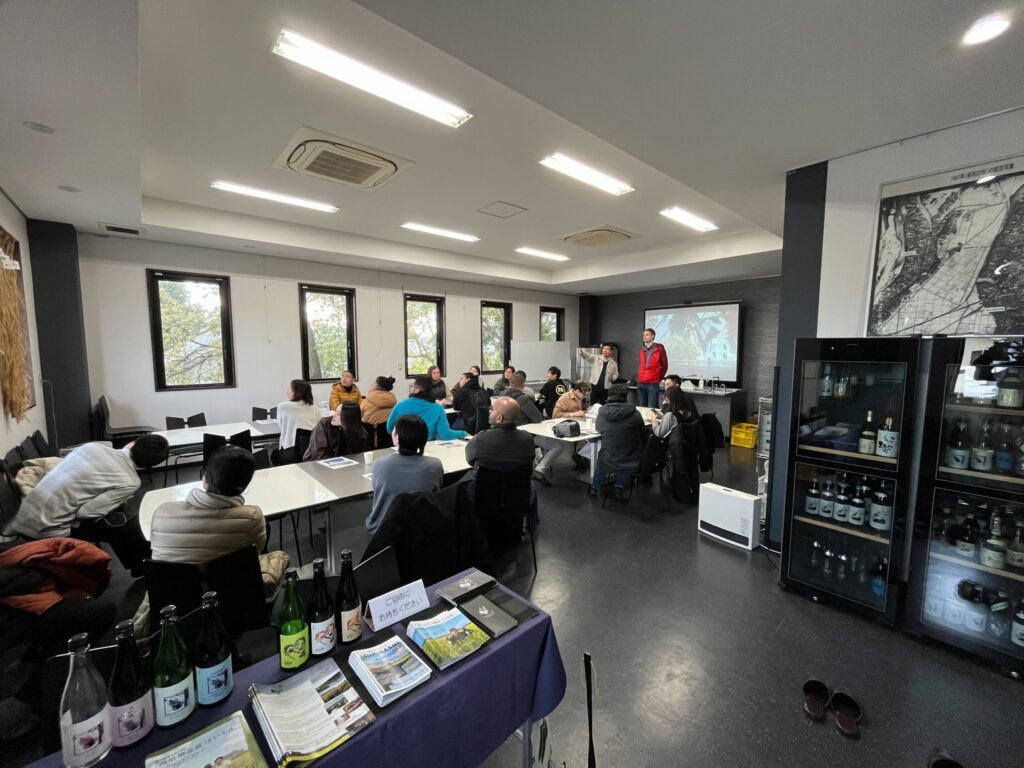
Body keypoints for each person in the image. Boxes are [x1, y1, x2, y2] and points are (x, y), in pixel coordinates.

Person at [140, 446, 289, 631]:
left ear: (204, 479)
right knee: (276, 557)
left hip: (174, 608)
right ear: (245, 485)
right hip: (234, 603)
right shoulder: (251, 517)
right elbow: (256, 551)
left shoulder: (162, 513)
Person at [5, 435, 170, 574]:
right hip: (46, 529)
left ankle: (141, 565)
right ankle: (146, 567)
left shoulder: (93, 447)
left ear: (132, 443)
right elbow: (85, 513)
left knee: (121, 519)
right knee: (125, 523)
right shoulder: (130, 481)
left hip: (25, 514)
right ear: (149, 465)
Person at [464, 397, 539, 525]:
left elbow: (470, 461)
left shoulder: (480, 439)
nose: (489, 411)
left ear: (499, 418)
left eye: (492, 409)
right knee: (530, 484)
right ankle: (532, 525)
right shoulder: (528, 439)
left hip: (484, 498)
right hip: (518, 497)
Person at [366, 415, 443, 534]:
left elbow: (377, 493)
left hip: (384, 529)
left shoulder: (380, 465)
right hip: (422, 528)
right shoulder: (435, 465)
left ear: (397, 437)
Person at [590, 384, 645, 501]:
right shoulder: (635, 413)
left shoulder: (602, 413)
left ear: (609, 396)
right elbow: (642, 432)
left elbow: (599, 429)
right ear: (625, 396)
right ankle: (620, 487)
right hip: (631, 458)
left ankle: (594, 488)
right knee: (630, 456)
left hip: (608, 458)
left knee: (604, 456)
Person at [534, 381, 593, 481]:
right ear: (577, 391)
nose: (585, 397)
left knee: (588, 441)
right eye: (583, 394)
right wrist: (573, 414)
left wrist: (585, 411)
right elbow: (555, 414)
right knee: (561, 446)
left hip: (573, 426)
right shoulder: (565, 398)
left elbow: (577, 412)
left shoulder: (579, 397)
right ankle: (579, 459)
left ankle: (580, 459)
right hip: (562, 427)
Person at [386, 376, 468, 440]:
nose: (409, 388)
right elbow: (446, 435)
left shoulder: (400, 405)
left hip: (405, 448)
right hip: (427, 448)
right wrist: (463, 433)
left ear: (417, 390)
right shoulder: (437, 408)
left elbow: (389, 429)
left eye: (411, 386)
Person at [274, 379, 321, 464]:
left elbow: (281, 426)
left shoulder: (283, 406)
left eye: (290, 389)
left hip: (290, 450)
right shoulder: (315, 407)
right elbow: (321, 425)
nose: (287, 391)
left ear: (297, 392)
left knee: (274, 455)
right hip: (312, 449)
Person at [637, 328, 669, 408]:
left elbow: (665, 365)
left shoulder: (659, 348)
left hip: (653, 383)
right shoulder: (642, 350)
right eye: (644, 335)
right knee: (642, 406)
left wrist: (659, 378)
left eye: (647, 335)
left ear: (653, 336)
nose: (644, 337)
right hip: (641, 382)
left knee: (653, 406)